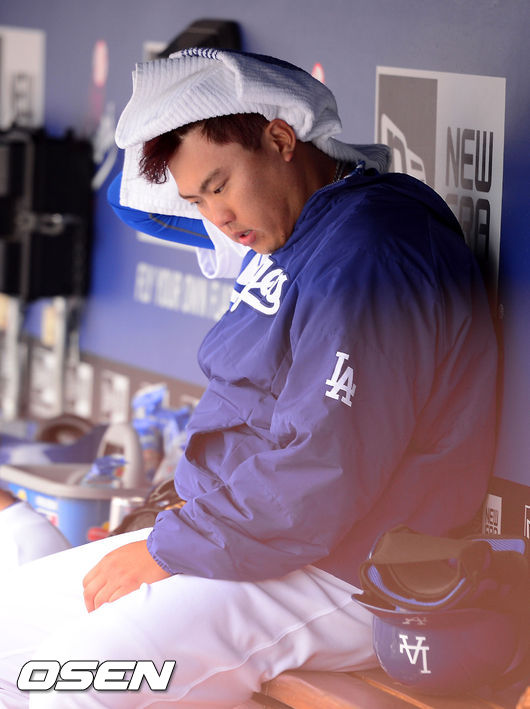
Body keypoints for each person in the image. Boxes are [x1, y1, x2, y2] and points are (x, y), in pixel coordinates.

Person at [0, 48, 498, 708]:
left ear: (281, 139)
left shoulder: (373, 243)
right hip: (240, 540)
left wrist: (171, 547)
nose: (219, 217)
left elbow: (323, 470)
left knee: (75, 685)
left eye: (220, 184)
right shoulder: (296, 230)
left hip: (347, 569)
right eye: (197, 199)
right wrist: (179, 530)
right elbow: (134, 205)